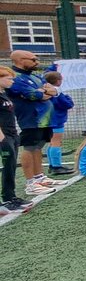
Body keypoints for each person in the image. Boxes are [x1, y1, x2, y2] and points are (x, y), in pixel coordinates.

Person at [8, 50, 66, 196]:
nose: (37, 62)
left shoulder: (35, 76)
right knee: (29, 147)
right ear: (20, 60)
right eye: (33, 59)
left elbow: (53, 91)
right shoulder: (15, 78)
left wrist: (45, 92)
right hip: (30, 118)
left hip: (44, 119)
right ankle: (30, 182)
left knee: (38, 146)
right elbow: (33, 95)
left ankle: (40, 177)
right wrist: (42, 93)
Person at [0, 67, 32, 212]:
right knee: (7, 166)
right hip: (3, 136)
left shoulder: (4, 94)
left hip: (11, 134)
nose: (11, 80)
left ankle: (10, 196)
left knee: (11, 166)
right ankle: (7, 198)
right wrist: (3, 138)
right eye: (8, 78)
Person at [41, 71, 74, 176]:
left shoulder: (45, 91)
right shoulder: (56, 92)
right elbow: (67, 104)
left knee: (52, 143)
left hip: (48, 120)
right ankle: (56, 166)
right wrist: (66, 98)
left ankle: (52, 165)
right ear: (58, 81)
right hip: (56, 120)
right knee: (56, 142)